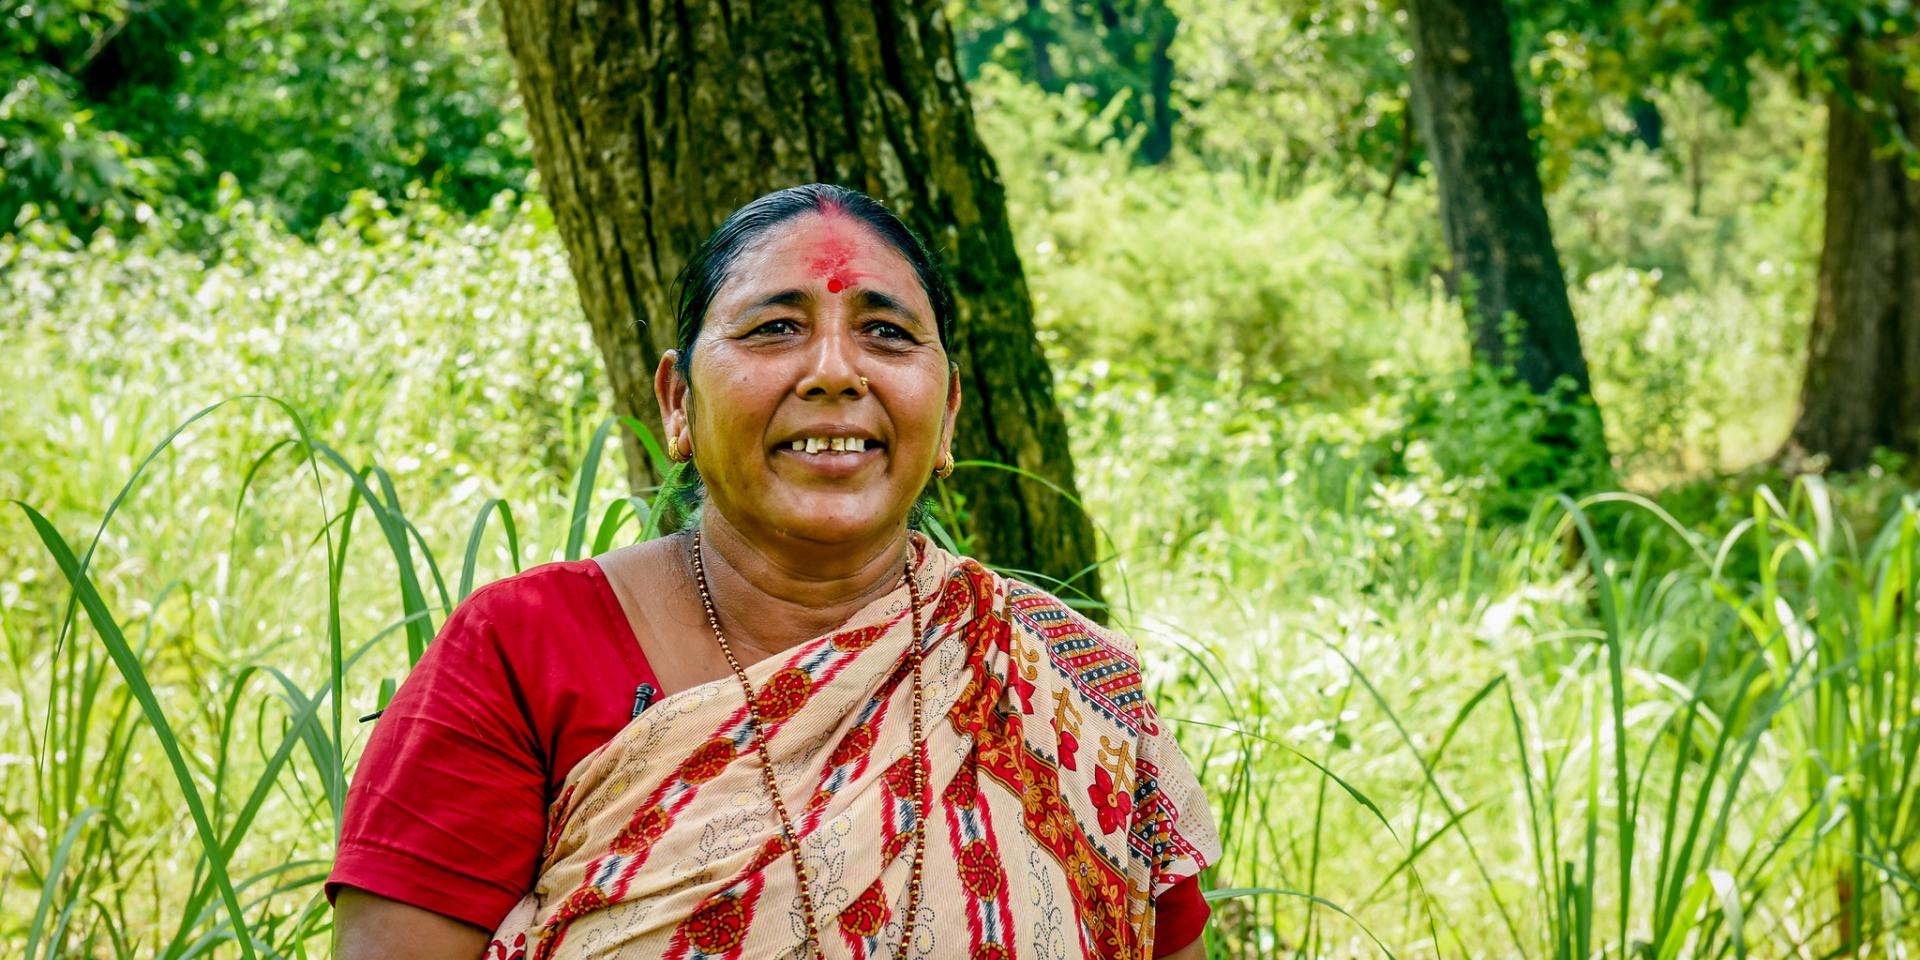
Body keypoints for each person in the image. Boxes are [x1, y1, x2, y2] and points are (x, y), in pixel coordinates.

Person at [328, 183, 1219, 960]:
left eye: (885, 332)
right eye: (776, 328)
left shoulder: (1064, 684)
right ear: (678, 403)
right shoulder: (523, 652)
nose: (834, 371)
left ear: (946, 414)